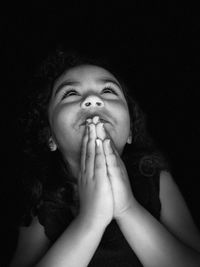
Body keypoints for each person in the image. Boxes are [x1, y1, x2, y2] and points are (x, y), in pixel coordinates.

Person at [9, 49, 200, 267]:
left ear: (129, 132)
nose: (92, 99)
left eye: (108, 90)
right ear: (50, 137)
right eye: (70, 94)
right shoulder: (44, 205)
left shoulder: (155, 181)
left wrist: (127, 208)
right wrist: (91, 220)